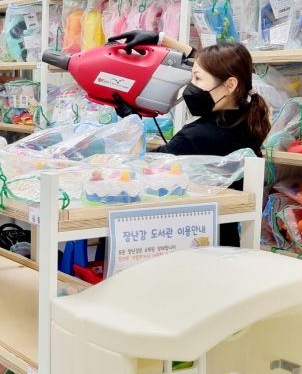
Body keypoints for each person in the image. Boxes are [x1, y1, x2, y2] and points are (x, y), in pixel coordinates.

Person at [108, 29, 271, 245]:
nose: (190, 85)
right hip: (227, 241)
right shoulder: (247, 118)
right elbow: (210, 64)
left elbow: (139, 169)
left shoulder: (197, 136)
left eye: (197, 78)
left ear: (230, 85)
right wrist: (161, 39)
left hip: (194, 244)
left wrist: (133, 123)